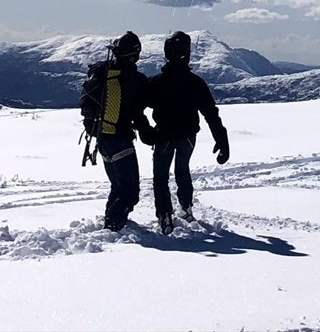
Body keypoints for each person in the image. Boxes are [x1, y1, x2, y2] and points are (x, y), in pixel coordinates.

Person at [145, 30, 230, 233]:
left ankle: (165, 215)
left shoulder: (156, 82)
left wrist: (144, 130)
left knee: (160, 177)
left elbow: (138, 107)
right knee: (182, 170)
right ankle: (186, 208)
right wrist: (222, 139)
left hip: (163, 135)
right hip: (188, 137)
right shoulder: (196, 83)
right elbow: (211, 113)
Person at [80, 31, 156, 232]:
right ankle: (113, 227)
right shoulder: (134, 79)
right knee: (129, 190)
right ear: (135, 55)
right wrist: (148, 132)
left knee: (118, 185)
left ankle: (112, 221)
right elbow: (137, 111)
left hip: (101, 137)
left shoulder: (103, 72)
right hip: (120, 139)